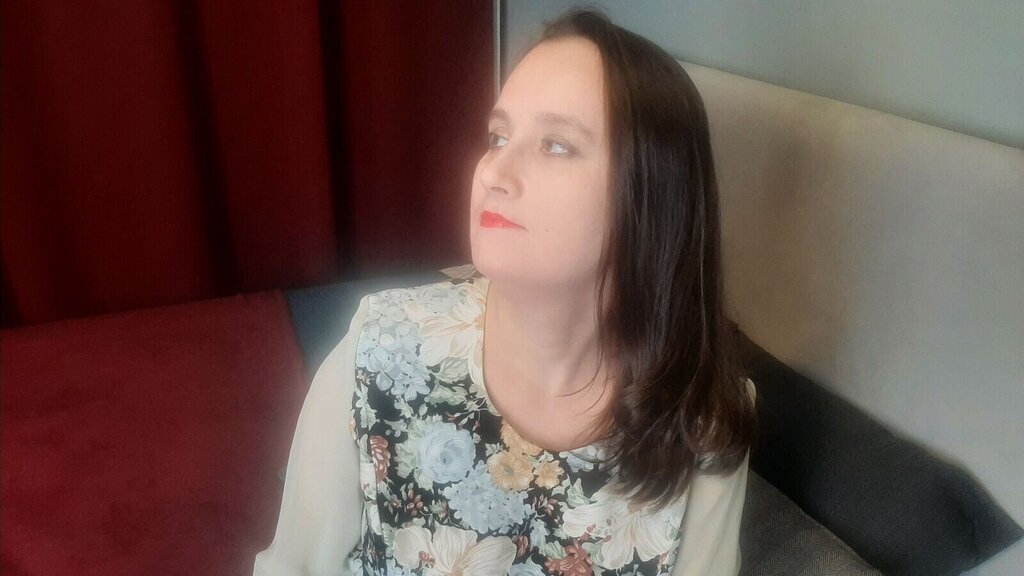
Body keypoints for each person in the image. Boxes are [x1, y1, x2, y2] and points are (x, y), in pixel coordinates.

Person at [254, 8, 756, 576]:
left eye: (556, 145)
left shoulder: (704, 420)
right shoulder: (380, 350)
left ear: (653, 198)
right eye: (498, 136)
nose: (493, 172)